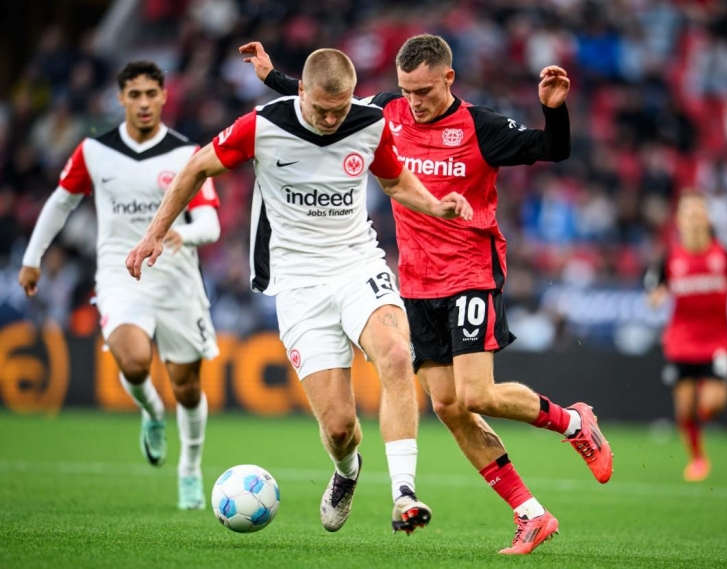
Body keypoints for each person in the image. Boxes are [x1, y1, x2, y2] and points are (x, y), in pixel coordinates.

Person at [243, 34, 613, 555]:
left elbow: (552, 148)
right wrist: (272, 78)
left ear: (448, 79)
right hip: (415, 284)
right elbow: (330, 103)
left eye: (423, 90)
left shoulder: (481, 127)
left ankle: (575, 422)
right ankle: (530, 513)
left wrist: (555, 112)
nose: (413, 101)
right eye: (405, 90)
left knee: (477, 394)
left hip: (470, 273)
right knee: (448, 405)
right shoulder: (387, 111)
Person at [125, 48, 473, 534]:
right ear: (302, 92)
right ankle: (347, 471)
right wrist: (154, 233)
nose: (333, 119)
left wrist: (437, 207)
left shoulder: (370, 123)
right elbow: (196, 168)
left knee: (396, 355)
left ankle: (404, 495)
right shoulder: (262, 125)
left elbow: (395, 182)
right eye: (322, 109)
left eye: (342, 108)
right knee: (338, 427)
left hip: (357, 262)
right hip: (298, 282)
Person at [19, 61, 221, 509]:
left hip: (176, 279)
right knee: (132, 361)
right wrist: (32, 259)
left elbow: (210, 223)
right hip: (120, 273)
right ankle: (152, 414)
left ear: (165, 96)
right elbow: (59, 202)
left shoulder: (188, 153)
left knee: (187, 386)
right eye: (135, 94)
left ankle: (190, 468)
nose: (144, 103)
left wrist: (181, 234)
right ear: (121, 98)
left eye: (152, 93)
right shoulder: (94, 151)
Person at [645, 191, 727, 482]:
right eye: (687, 214)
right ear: (679, 221)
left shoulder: (724, 255)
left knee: (714, 403)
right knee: (683, 407)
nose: (693, 219)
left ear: (707, 218)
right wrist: (655, 297)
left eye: (698, 213)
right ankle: (698, 460)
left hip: (717, 340)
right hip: (681, 341)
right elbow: (652, 288)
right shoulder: (669, 258)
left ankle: (701, 420)